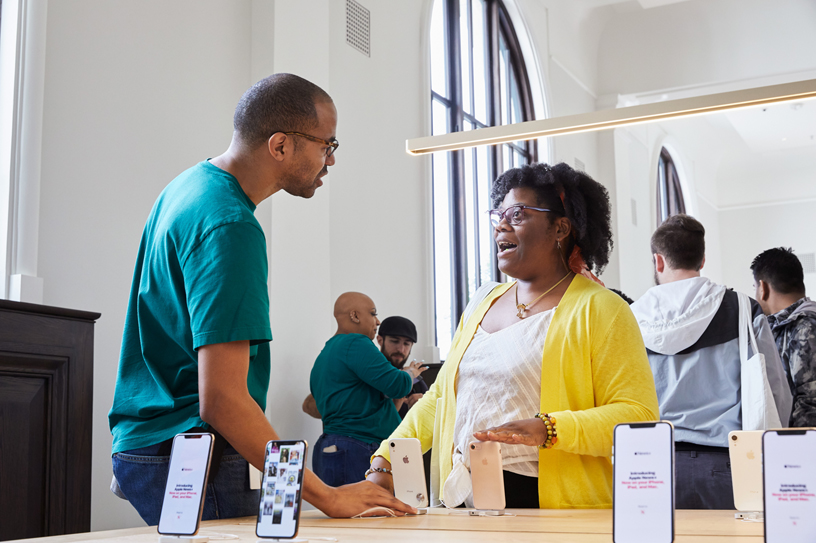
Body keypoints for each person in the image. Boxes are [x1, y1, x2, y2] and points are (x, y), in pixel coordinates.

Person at [108, 74, 415, 525]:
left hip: (150, 442)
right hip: (193, 448)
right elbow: (223, 400)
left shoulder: (186, 187)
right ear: (280, 145)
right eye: (326, 145)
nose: (330, 160)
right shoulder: (230, 225)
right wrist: (325, 496)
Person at [367, 162, 660, 509]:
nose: (501, 225)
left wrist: (548, 429)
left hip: (545, 501)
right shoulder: (481, 302)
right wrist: (385, 459)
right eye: (499, 215)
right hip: (462, 496)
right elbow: (441, 398)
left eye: (518, 214)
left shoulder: (601, 308)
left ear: (560, 228)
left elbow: (637, 415)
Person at [630, 214, 792, 509]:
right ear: (702, 259)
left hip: (654, 465)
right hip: (726, 464)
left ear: (659, 261)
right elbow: (775, 390)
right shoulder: (742, 308)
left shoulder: (630, 317)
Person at [310, 294, 426, 487]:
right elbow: (397, 384)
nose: (377, 321)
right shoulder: (356, 343)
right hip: (356, 447)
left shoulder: (327, 351)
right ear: (354, 316)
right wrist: (410, 373)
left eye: (407, 344)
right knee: (368, 516)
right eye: (373, 314)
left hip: (333, 447)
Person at [302, 315, 428, 419]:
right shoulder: (361, 371)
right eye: (394, 341)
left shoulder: (417, 383)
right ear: (379, 340)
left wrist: (423, 410)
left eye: (407, 344)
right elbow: (308, 405)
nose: (401, 349)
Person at [751, 247, 816, 427]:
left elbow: (810, 402)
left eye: (754, 287)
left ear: (763, 288)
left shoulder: (805, 327)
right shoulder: (787, 326)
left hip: (800, 447)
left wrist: (789, 448)